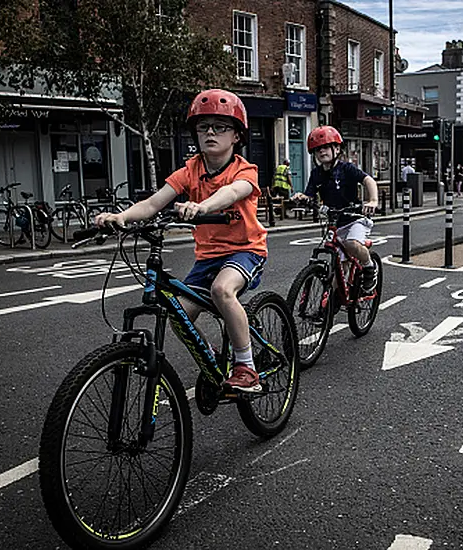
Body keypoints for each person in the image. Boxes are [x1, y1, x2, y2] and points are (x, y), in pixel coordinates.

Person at [94, 89, 267, 393]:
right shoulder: (191, 170)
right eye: (203, 127)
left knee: (222, 290)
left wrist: (203, 206)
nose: (210, 132)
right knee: (179, 314)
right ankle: (212, 360)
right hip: (207, 258)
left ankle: (246, 367)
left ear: (237, 135)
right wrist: (121, 216)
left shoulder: (244, 169)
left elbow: (233, 192)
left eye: (220, 127)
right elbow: (153, 203)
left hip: (245, 251)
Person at [291, 125, 380, 293]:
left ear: (337, 148)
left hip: (354, 218)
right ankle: (332, 302)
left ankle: (369, 268)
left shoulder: (347, 169)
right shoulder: (316, 173)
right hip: (335, 222)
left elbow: (368, 180)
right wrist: (302, 198)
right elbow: (310, 194)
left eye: (325, 147)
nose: (321, 152)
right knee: (339, 265)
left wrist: (373, 201)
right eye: (317, 149)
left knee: (351, 244)